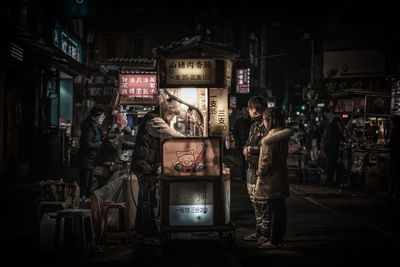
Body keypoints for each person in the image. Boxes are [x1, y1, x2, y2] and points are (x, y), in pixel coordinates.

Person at [130, 98, 184, 245]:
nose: (173, 118)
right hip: (145, 166)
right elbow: (172, 134)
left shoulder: (154, 118)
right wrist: (192, 140)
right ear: (167, 111)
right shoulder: (154, 121)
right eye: (173, 115)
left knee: (144, 201)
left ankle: (141, 233)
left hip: (145, 165)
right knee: (148, 201)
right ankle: (149, 234)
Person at [255, 107, 293, 249]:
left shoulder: (269, 140)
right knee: (280, 210)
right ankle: (277, 239)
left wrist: (260, 172)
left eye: (264, 120)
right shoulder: (283, 136)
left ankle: (274, 241)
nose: (263, 123)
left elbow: (266, 161)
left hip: (271, 179)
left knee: (275, 211)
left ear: (269, 121)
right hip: (281, 176)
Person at [242, 96, 269, 243]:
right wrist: (246, 147)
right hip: (251, 167)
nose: (248, 110)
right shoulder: (253, 125)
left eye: (249, 108)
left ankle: (266, 233)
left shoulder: (266, 124)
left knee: (262, 201)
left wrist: (249, 149)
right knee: (254, 201)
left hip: (260, 169)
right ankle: (259, 231)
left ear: (254, 109)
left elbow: (265, 147)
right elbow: (249, 142)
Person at [77, 106, 106, 199]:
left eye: (103, 117)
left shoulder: (95, 126)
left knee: (88, 183)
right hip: (86, 159)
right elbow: (87, 144)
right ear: (94, 117)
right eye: (100, 117)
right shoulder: (89, 127)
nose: (102, 119)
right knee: (85, 183)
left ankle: (84, 201)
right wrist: (100, 144)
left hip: (90, 159)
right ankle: (81, 202)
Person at [233, 105, 252, 182]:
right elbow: (235, 132)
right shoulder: (238, 122)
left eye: (247, 109)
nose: (246, 110)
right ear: (241, 111)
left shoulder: (252, 121)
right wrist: (238, 141)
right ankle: (243, 177)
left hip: (250, 144)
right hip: (241, 144)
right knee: (242, 161)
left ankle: (248, 177)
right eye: (244, 109)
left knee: (250, 161)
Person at [322, 116, 343, 187]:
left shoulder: (329, 127)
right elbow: (339, 136)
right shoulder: (336, 127)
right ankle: (330, 181)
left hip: (328, 149)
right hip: (333, 149)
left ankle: (328, 181)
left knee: (329, 166)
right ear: (337, 122)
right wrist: (346, 141)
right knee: (332, 166)